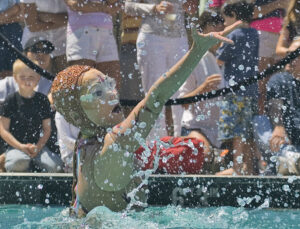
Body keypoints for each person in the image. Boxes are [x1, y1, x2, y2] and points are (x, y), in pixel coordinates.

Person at [51, 21, 239, 215]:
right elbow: (156, 96)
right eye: (98, 92)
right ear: (76, 114)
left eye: (109, 83)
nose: (112, 93)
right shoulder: (116, 143)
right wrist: (196, 51)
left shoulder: (83, 143)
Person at [125, 0, 198, 138]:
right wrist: (154, 8)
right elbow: (127, 6)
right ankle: (155, 145)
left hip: (179, 39)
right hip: (152, 38)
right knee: (154, 93)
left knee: (182, 90)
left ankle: (181, 142)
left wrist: (190, 6)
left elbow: (192, 9)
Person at [179, 10, 225, 173]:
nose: (220, 31)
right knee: (205, 158)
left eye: (222, 26)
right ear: (201, 30)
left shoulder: (219, 60)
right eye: (214, 26)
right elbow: (181, 102)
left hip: (218, 133)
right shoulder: (193, 59)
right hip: (194, 128)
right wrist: (202, 88)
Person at [216, 0, 259, 175]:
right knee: (247, 131)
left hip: (234, 92)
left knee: (236, 132)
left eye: (226, 19)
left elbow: (219, 60)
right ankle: (248, 167)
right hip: (250, 90)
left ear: (234, 16)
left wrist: (220, 43)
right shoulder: (255, 33)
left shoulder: (233, 35)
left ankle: (237, 167)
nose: (224, 23)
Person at [0, 59, 63, 173]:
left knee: (56, 167)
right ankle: (7, 158)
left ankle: (33, 166)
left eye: (31, 77)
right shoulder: (10, 100)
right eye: (22, 77)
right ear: (15, 78)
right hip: (16, 146)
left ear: (38, 79)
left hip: (39, 147)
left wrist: (38, 147)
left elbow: (47, 129)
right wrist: (21, 146)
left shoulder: (42, 100)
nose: (27, 81)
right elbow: (3, 130)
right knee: (18, 163)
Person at [64, 0, 122, 91]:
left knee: (111, 88)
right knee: (80, 84)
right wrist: (104, 7)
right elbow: (75, 4)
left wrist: (97, 7)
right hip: (81, 32)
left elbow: (116, 5)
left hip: (106, 32)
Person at [266, 47, 300, 175]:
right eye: (290, 54)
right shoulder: (280, 79)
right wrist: (279, 125)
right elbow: (274, 103)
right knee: (285, 164)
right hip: (286, 138)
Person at [20, 0, 68, 74]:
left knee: (66, 83)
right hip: (36, 46)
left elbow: (76, 16)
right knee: (33, 81)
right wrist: (61, 20)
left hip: (64, 45)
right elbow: (33, 26)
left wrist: (49, 17)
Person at [0, 0, 23, 79]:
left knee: (15, 71)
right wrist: (13, 10)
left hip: (12, 31)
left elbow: (22, 14)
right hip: (11, 28)